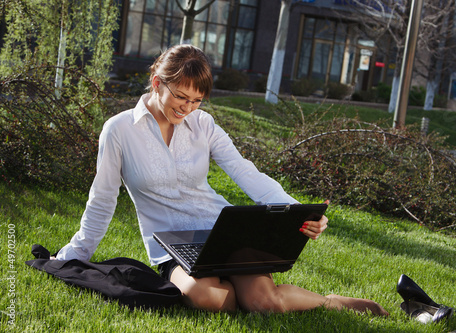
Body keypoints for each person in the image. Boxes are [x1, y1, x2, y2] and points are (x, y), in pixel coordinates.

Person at [55, 44, 388, 316]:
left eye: (196, 100)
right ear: (157, 83)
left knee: (265, 304)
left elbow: (245, 172)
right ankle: (244, 290)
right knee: (211, 300)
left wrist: (298, 211)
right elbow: (102, 200)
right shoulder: (119, 130)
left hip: (223, 232)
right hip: (171, 246)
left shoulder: (204, 125)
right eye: (181, 97)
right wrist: (74, 255)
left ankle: (332, 301)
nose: (187, 108)